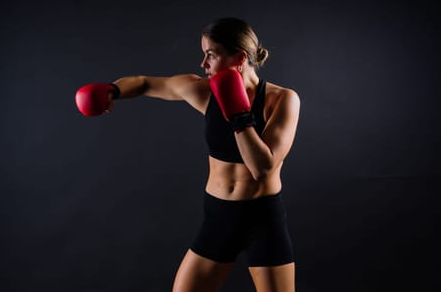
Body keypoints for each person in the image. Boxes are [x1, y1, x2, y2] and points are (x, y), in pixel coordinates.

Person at [75, 17, 300, 291]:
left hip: (262, 220)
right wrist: (113, 90)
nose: (203, 64)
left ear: (239, 58)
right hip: (220, 217)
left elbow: (262, 168)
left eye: (210, 55)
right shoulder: (204, 93)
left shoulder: (282, 99)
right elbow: (147, 83)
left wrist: (239, 116)